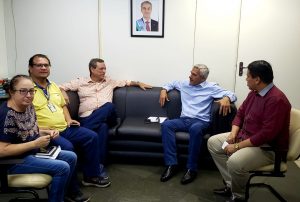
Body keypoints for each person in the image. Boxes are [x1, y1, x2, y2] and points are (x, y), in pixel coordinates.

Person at [207, 60, 291, 202]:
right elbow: (240, 114)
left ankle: (239, 196)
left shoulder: (277, 100)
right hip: (245, 137)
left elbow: (266, 134)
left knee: (234, 162)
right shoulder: (254, 93)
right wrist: (233, 135)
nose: (246, 79)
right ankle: (232, 185)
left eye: (248, 76)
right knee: (214, 143)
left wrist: (237, 146)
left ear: (257, 79)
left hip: (267, 148)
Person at [0, 75, 90, 202]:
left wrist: (46, 132)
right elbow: (2, 150)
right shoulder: (6, 115)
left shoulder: (28, 106)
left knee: (71, 156)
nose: (29, 95)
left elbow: (27, 131)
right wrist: (34, 144)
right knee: (63, 167)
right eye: (23, 91)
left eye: (32, 91)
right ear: (11, 92)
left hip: (31, 153)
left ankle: (60, 196)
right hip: (14, 162)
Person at [28, 54, 111, 189]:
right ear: (30, 68)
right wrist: (42, 129)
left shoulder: (53, 86)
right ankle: (71, 189)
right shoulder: (28, 90)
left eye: (46, 65)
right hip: (48, 132)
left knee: (92, 136)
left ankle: (90, 176)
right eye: (39, 65)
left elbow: (63, 105)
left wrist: (69, 119)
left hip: (65, 127)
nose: (43, 68)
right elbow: (23, 116)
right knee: (69, 148)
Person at [59, 58, 152, 167]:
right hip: (87, 117)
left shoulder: (109, 81)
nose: (104, 71)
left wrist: (138, 83)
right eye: (101, 69)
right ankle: (99, 164)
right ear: (92, 69)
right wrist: (62, 92)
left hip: (108, 116)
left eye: (105, 69)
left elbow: (127, 82)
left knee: (109, 106)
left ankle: (82, 132)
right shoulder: (80, 82)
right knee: (102, 127)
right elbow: (59, 86)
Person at [159, 64, 237, 185]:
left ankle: (191, 168)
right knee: (166, 125)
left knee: (195, 129)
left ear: (203, 78)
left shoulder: (211, 87)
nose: (190, 76)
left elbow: (232, 94)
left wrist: (227, 98)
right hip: (183, 120)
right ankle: (171, 164)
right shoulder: (184, 84)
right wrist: (164, 90)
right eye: (191, 73)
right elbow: (171, 83)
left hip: (201, 121)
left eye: (194, 75)